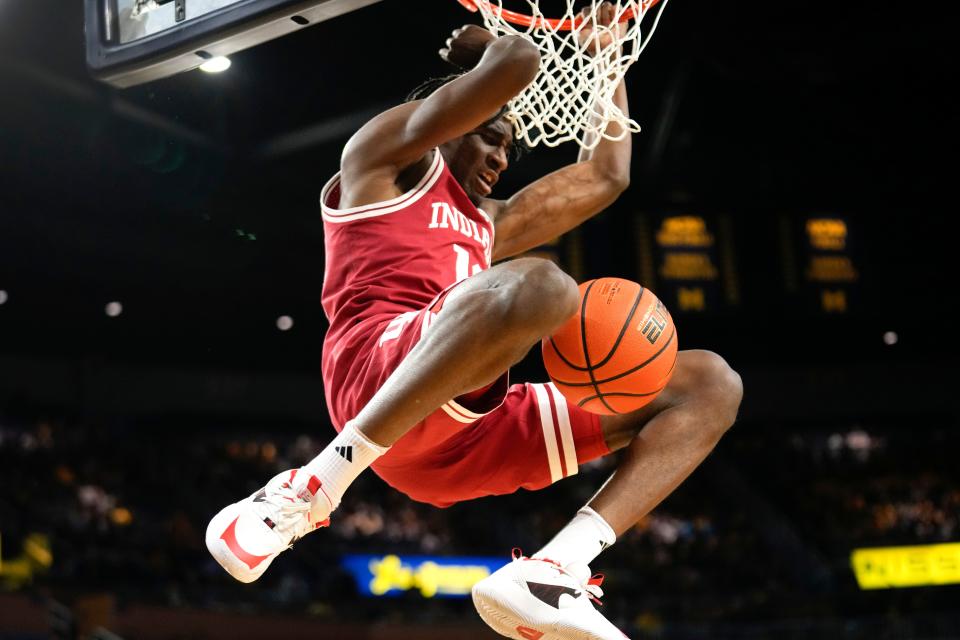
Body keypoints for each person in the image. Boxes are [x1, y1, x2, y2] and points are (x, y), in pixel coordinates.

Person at [206, 5, 742, 639]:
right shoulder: (379, 162)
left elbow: (606, 175)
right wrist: (485, 47)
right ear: (447, 120)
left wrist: (604, 56)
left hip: (456, 430)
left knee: (709, 384)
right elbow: (517, 62)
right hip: (375, 372)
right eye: (493, 136)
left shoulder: (491, 224)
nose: (503, 157)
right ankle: (310, 486)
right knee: (543, 284)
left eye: (510, 148)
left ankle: (554, 570)